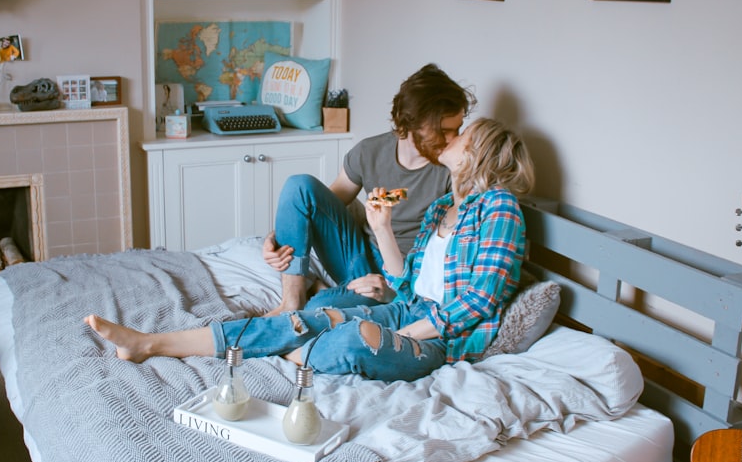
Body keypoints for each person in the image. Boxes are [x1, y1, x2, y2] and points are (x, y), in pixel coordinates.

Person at [85, 117, 535, 383]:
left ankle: (286, 345)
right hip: (408, 310)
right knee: (299, 321)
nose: (450, 139)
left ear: (477, 151)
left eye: (460, 135)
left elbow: (477, 301)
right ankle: (150, 343)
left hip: (442, 339)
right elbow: (406, 284)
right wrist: (379, 227)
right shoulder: (444, 206)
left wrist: (410, 331)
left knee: (347, 340)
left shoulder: (499, 209)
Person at [262, 63, 476, 316]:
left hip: (400, 275)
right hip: (357, 256)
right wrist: (278, 239)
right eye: (444, 131)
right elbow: (318, 204)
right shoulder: (369, 151)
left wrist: (395, 289)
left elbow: (447, 255)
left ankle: (321, 293)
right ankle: (291, 300)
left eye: (457, 130)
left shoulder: (451, 171)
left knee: (320, 309)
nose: (454, 139)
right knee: (299, 185)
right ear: (411, 122)